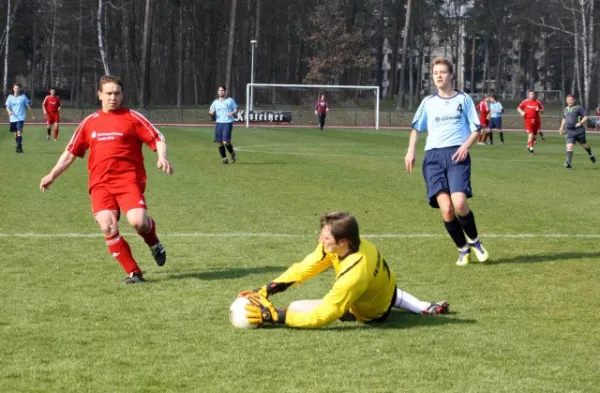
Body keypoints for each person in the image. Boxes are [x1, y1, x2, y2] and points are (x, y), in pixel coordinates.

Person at [39, 75, 173, 284]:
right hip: (100, 183)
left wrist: (162, 156)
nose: (113, 97)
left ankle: (154, 242)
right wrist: (52, 174)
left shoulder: (132, 117)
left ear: (122, 95)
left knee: (138, 222)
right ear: (99, 94)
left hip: (128, 180)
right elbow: (70, 152)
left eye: (117, 93)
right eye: (109, 93)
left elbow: (157, 138)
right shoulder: (90, 122)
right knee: (107, 226)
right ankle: (134, 273)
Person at [239, 211, 449, 328]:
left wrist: (277, 317)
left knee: (296, 307)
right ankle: (423, 307)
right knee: (383, 291)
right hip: (387, 289)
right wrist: (268, 289)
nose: (320, 240)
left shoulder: (355, 274)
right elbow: (306, 267)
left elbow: (324, 315)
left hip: (372, 313)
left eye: (326, 237)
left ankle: (416, 307)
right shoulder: (356, 243)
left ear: (343, 242)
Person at [404, 57, 489, 266]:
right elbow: (416, 129)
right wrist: (410, 151)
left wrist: (465, 146)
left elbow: (477, 129)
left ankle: (475, 242)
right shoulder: (428, 102)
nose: (439, 76)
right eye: (435, 73)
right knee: (447, 209)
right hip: (433, 157)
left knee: (459, 204)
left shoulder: (463, 99)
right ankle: (463, 249)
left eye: (443, 72)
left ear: (451, 75)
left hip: (456, 155)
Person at [559, 94, 595, 169]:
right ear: (566, 101)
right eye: (568, 100)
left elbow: (586, 116)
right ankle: (568, 163)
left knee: (585, 145)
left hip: (579, 131)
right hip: (569, 132)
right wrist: (561, 127)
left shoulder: (578, 108)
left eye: (571, 100)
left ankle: (590, 154)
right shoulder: (565, 109)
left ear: (574, 100)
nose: (570, 101)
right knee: (569, 146)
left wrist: (580, 123)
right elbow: (564, 118)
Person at [209, 85, 238, 164]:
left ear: (225, 91)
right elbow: (211, 110)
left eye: (222, 90)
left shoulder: (230, 100)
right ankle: (224, 159)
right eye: (219, 90)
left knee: (225, 141)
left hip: (227, 123)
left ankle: (232, 153)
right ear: (218, 92)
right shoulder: (215, 102)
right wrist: (211, 112)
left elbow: (236, 109)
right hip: (219, 123)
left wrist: (231, 113)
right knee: (219, 142)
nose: (220, 92)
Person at [5, 83, 35, 153]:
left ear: (19, 89)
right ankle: (20, 147)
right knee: (15, 133)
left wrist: (32, 114)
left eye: (18, 88)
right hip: (12, 118)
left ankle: (18, 147)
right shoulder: (10, 97)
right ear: (13, 89)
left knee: (19, 131)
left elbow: (28, 106)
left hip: (20, 117)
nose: (16, 89)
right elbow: (7, 106)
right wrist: (9, 111)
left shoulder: (23, 97)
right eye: (15, 88)